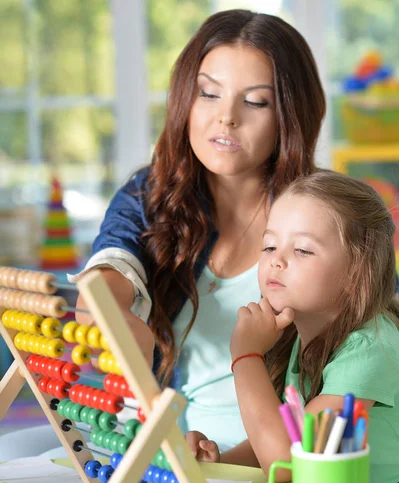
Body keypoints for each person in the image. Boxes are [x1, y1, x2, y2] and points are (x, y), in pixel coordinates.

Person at [0, 9, 325, 460]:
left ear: (291, 114)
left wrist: (218, 463)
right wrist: (108, 319)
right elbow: (110, 269)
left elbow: (336, 400)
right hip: (166, 449)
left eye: (255, 101)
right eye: (208, 93)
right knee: (13, 451)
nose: (225, 118)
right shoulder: (150, 196)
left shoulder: (326, 216)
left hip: (274, 460)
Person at [195, 170, 399, 483]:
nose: (276, 259)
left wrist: (245, 357)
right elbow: (282, 435)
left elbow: (284, 460)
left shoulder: (370, 349)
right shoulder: (295, 337)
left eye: (303, 250)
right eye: (270, 245)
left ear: (356, 271)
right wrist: (221, 463)